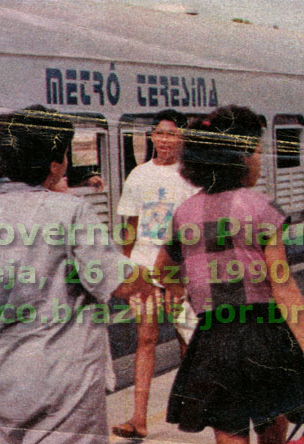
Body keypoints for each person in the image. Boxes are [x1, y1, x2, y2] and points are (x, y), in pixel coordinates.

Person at [0, 106, 157, 444]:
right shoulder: (70, 211)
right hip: (59, 376)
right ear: (56, 163)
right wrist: (151, 275)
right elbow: (120, 282)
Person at [160, 105, 304, 444]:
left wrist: (185, 292)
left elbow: (162, 271)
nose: (259, 160)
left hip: (214, 337)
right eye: (256, 152)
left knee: (229, 430)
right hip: (265, 336)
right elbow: (284, 289)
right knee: (273, 432)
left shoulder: (184, 213)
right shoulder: (259, 208)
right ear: (238, 157)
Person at [111, 109, 201, 439]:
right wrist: (124, 269)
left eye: (172, 134)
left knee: (189, 338)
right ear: (151, 136)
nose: (164, 140)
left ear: (183, 139)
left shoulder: (191, 177)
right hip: (145, 269)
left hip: (180, 270)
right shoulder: (138, 175)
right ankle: (138, 419)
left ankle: (195, 406)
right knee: (145, 339)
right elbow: (130, 227)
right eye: (160, 134)